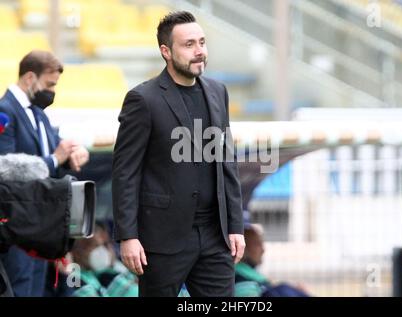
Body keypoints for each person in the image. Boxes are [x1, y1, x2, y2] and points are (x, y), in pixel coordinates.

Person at [112, 11, 245, 297]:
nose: (199, 51)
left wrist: (236, 225)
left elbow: (226, 162)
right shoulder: (143, 99)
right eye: (189, 45)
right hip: (162, 239)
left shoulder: (218, 92)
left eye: (202, 42)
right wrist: (128, 236)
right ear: (166, 52)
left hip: (215, 235)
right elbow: (126, 172)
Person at [0, 50, 90, 297]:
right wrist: (55, 158)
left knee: (37, 289)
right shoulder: (4, 111)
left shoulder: (39, 114)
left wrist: (74, 154)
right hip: (14, 226)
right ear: (30, 78)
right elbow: (5, 171)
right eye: (49, 84)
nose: (52, 91)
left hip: (40, 228)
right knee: (19, 288)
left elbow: (58, 147)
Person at [235, 211, 310, 297]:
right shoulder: (242, 280)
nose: (263, 250)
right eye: (257, 244)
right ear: (243, 247)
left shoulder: (250, 276)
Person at [69, 223, 138, 297]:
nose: (103, 250)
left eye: (105, 244)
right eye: (95, 246)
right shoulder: (76, 281)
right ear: (77, 251)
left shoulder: (103, 274)